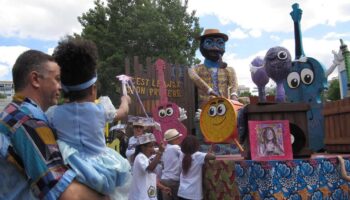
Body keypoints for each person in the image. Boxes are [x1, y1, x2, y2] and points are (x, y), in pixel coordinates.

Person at [0, 49, 106, 199]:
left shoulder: (13, 114)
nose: (61, 87)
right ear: (35, 79)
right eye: (56, 79)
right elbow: (64, 192)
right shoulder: (29, 121)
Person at [47, 37, 132, 199]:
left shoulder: (53, 114)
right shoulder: (101, 109)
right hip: (102, 170)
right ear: (93, 89)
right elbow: (122, 112)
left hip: (72, 169)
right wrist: (124, 100)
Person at [129, 132, 170, 200]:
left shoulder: (146, 159)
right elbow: (150, 168)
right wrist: (159, 152)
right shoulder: (140, 157)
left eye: (153, 146)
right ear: (142, 147)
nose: (153, 149)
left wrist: (162, 187)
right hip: (141, 197)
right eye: (150, 146)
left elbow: (150, 177)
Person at [177, 135, 215, 200]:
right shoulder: (198, 155)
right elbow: (213, 156)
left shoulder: (181, 154)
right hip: (193, 194)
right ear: (196, 145)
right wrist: (209, 152)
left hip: (182, 192)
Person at [160, 129, 183, 200]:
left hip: (164, 179)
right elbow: (185, 156)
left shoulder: (165, 149)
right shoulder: (175, 148)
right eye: (178, 138)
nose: (179, 139)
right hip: (173, 180)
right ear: (174, 139)